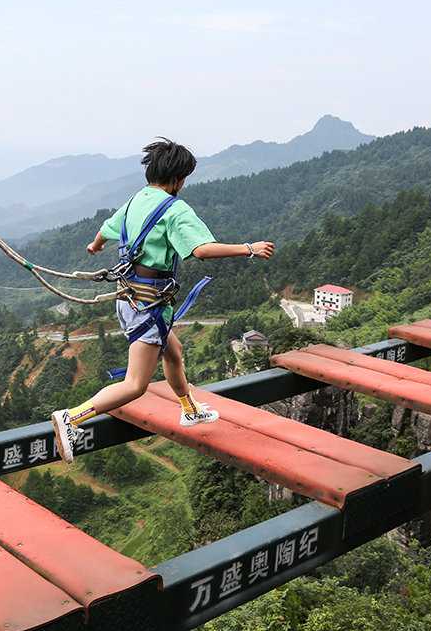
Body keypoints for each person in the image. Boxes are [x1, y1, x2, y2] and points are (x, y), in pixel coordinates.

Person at [51, 138, 274, 463]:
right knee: (136, 384)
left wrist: (95, 245)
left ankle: (189, 409)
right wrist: (248, 248)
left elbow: (106, 228)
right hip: (148, 306)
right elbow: (200, 250)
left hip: (128, 299)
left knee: (174, 352)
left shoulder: (136, 201)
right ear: (178, 178)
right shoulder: (175, 209)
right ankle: (72, 418)